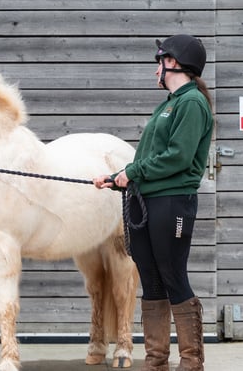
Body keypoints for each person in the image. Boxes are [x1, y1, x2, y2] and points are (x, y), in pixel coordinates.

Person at [93, 34, 213, 371]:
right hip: (148, 200)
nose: (155, 69)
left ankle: (191, 361)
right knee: (152, 278)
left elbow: (177, 157)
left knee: (173, 276)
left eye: (159, 61)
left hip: (172, 202)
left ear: (173, 63)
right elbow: (151, 156)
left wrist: (132, 172)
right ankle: (156, 360)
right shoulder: (168, 104)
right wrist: (117, 177)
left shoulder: (190, 103)